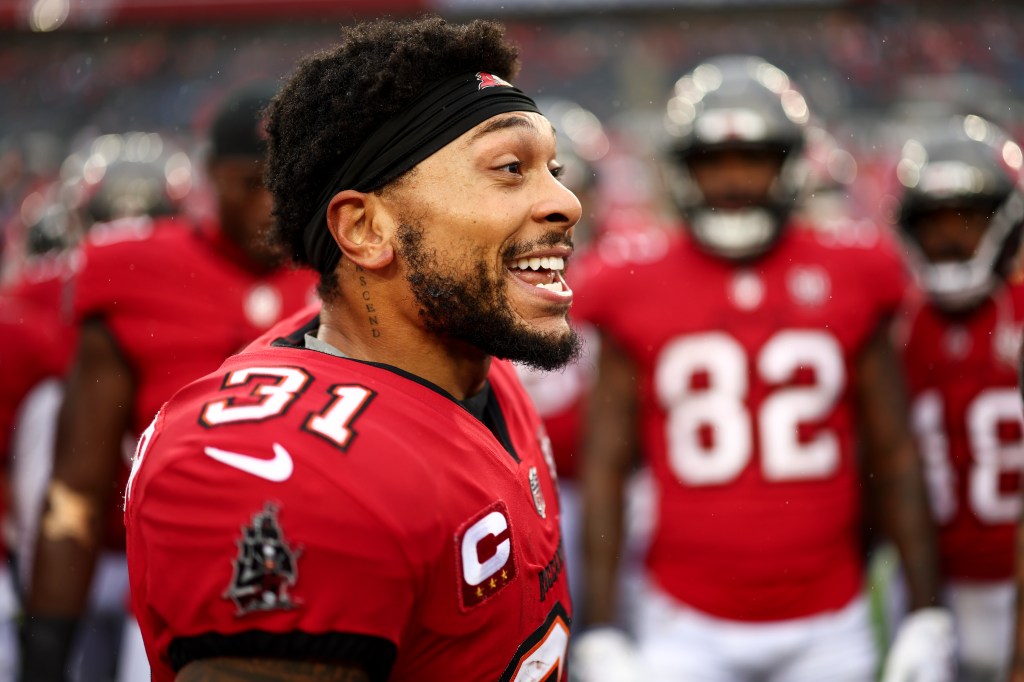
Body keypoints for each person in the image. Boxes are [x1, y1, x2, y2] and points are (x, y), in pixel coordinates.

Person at [124, 16, 578, 681]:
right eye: (510, 168)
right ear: (366, 229)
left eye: (552, 168)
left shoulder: (475, 369)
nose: (565, 201)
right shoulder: (284, 467)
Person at [572, 54, 953, 682]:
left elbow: (896, 452)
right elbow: (607, 466)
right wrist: (607, 626)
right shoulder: (632, 279)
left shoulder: (855, 272)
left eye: (753, 158)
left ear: (789, 163)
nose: (734, 181)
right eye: (714, 161)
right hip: (683, 619)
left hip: (831, 619)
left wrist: (926, 611)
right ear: (684, 168)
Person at [20, 87, 317, 682]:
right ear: (210, 177)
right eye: (249, 184)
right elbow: (76, 489)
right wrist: (46, 648)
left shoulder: (348, 265)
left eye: (283, 184)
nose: (269, 206)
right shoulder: (134, 273)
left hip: (334, 580)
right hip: (180, 593)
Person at [893, 114, 1024, 681]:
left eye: (968, 219)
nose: (948, 237)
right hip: (932, 584)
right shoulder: (901, 326)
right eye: (933, 221)